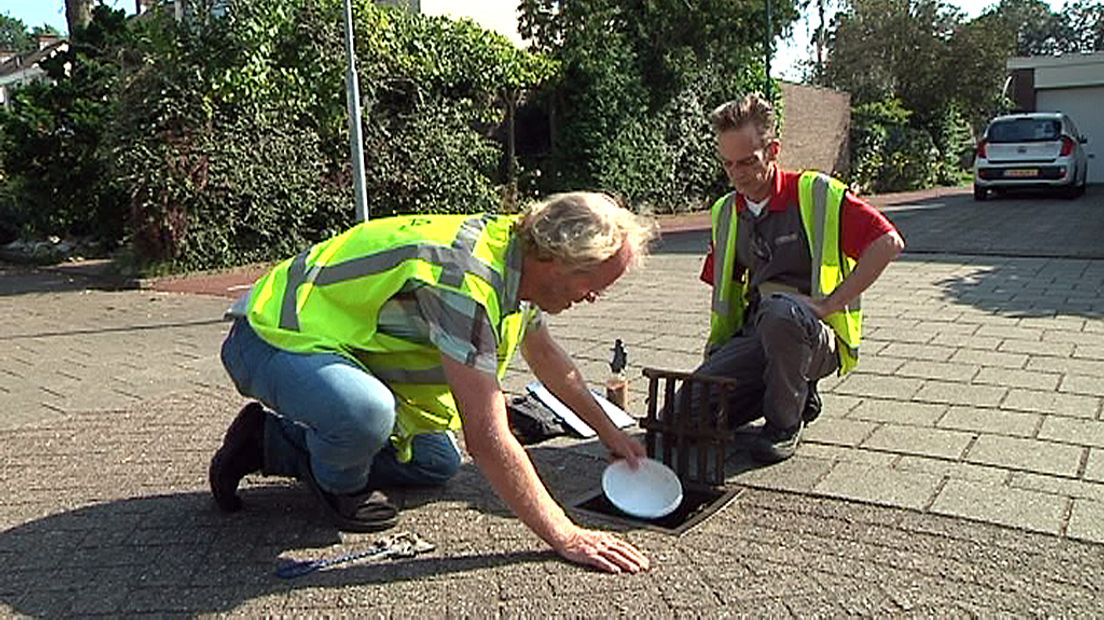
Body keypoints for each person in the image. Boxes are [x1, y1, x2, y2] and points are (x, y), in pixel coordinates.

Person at [208, 191, 655, 574]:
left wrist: (610, 431)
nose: (593, 297)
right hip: (269, 337)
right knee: (365, 414)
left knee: (436, 463)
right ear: (557, 262)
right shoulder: (466, 280)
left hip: (335, 348)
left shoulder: (519, 255)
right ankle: (337, 486)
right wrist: (566, 534)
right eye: (591, 284)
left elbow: (549, 360)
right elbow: (487, 439)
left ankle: (266, 442)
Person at [693, 93, 904, 463]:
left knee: (780, 313)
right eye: (728, 164)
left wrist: (829, 304)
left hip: (811, 333)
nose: (738, 174)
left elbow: (888, 242)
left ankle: (783, 425)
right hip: (758, 332)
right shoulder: (726, 212)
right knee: (686, 415)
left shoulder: (816, 194)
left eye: (747, 162)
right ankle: (790, 391)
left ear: (773, 150)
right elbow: (724, 289)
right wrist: (718, 361)